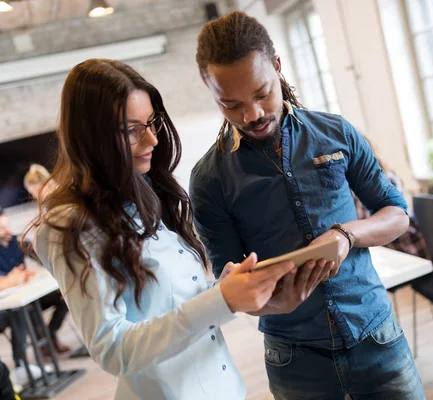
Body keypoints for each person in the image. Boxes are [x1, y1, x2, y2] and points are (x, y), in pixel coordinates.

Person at [28, 59, 305, 400]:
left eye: (151, 123)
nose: (153, 139)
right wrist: (220, 300)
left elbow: (169, 303)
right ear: (93, 139)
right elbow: (113, 349)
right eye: (132, 130)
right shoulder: (69, 227)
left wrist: (228, 290)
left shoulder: (142, 197)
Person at [191, 11, 426, 399]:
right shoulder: (209, 180)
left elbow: (397, 214)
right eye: (231, 105)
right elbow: (227, 279)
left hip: (377, 336)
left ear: (278, 67)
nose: (252, 115)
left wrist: (347, 235)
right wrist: (268, 303)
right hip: (294, 359)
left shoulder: (337, 133)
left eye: (262, 93)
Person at [0, 206, 70, 357]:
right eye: (1, 228)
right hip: (12, 302)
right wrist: (11, 279)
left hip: (29, 293)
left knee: (65, 294)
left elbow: (43, 259)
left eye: (6, 225)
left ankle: (50, 334)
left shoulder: (17, 241)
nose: (6, 231)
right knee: (28, 309)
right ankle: (45, 345)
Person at [352, 139, 428, 259]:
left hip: (403, 248)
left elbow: (364, 221)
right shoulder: (382, 175)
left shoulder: (383, 179)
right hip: (391, 246)